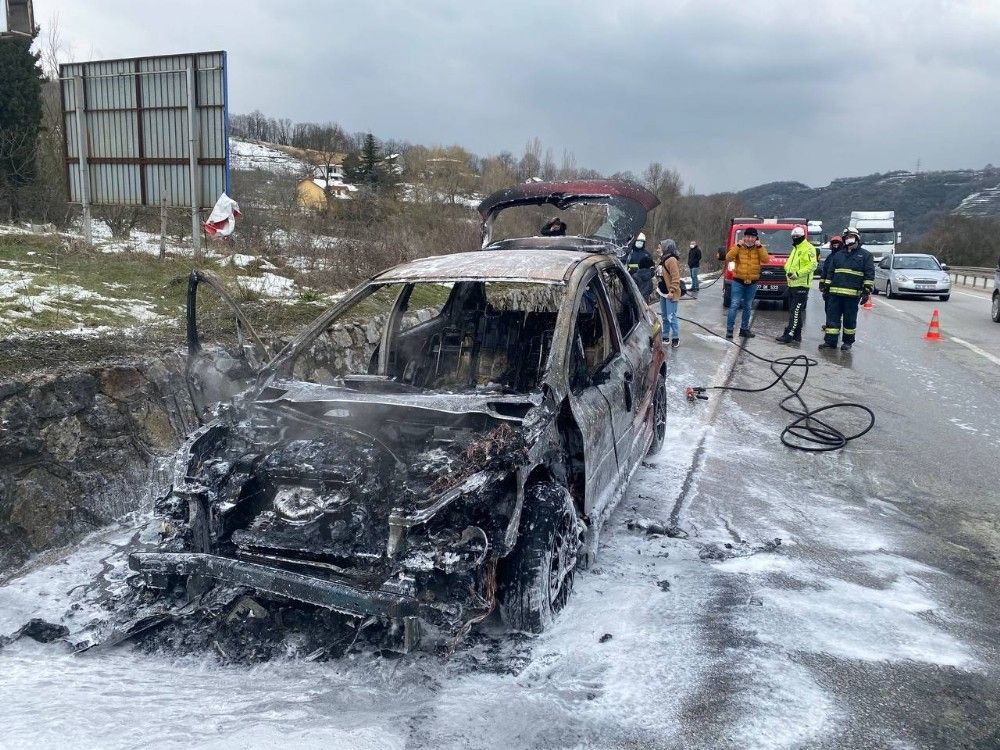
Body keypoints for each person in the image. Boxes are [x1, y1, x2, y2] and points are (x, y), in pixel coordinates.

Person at [818, 227, 875, 352]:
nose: (849, 239)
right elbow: (830, 273)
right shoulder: (838, 255)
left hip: (852, 296)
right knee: (832, 319)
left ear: (857, 238)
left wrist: (866, 291)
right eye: (847, 237)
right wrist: (826, 288)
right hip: (834, 295)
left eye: (851, 237)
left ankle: (848, 342)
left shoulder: (866, 255)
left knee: (850, 320)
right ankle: (830, 341)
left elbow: (869, 275)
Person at [724, 227, 769, 339]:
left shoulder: (759, 248)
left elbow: (765, 259)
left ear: (756, 238)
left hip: (752, 282)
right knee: (734, 305)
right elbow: (728, 257)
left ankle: (744, 329)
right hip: (738, 281)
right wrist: (738, 246)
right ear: (744, 237)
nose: (750, 239)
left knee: (748, 306)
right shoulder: (738, 247)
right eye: (748, 236)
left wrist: (760, 247)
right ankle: (729, 329)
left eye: (753, 237)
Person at [775, 226, 817, 343]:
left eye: (797, 236)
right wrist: (787, 269)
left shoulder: (808, 248)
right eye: (793, 236)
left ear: (803, 236)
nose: (795, 238)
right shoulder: (796, 248)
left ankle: (790, 333)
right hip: (792, 284)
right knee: (793, 311)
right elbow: (790, 263)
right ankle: (797, 335)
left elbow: (812, 265)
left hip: (802, 285)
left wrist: (797, 274)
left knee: (795, 311)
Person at [657, 239, 681, 349]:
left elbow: (676, 277)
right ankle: (665, 336)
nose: (658, 249)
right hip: (663, 293)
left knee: (671, 316)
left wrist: (672, 291)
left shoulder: (671, 260)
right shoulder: (663, 259)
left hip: (670, 293)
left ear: (666, 248)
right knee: (665, 316)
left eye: (660, 247)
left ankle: (675, 338)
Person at [626, 232, 655, 302]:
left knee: (643, 303)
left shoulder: (647, 254)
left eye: (641, 241)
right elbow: (624, 266)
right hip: (630, 281)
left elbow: (652, 269)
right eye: (638, 241)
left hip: (644, 284)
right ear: (634, 241)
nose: (640, 243)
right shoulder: (629, 253)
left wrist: (648, 275)